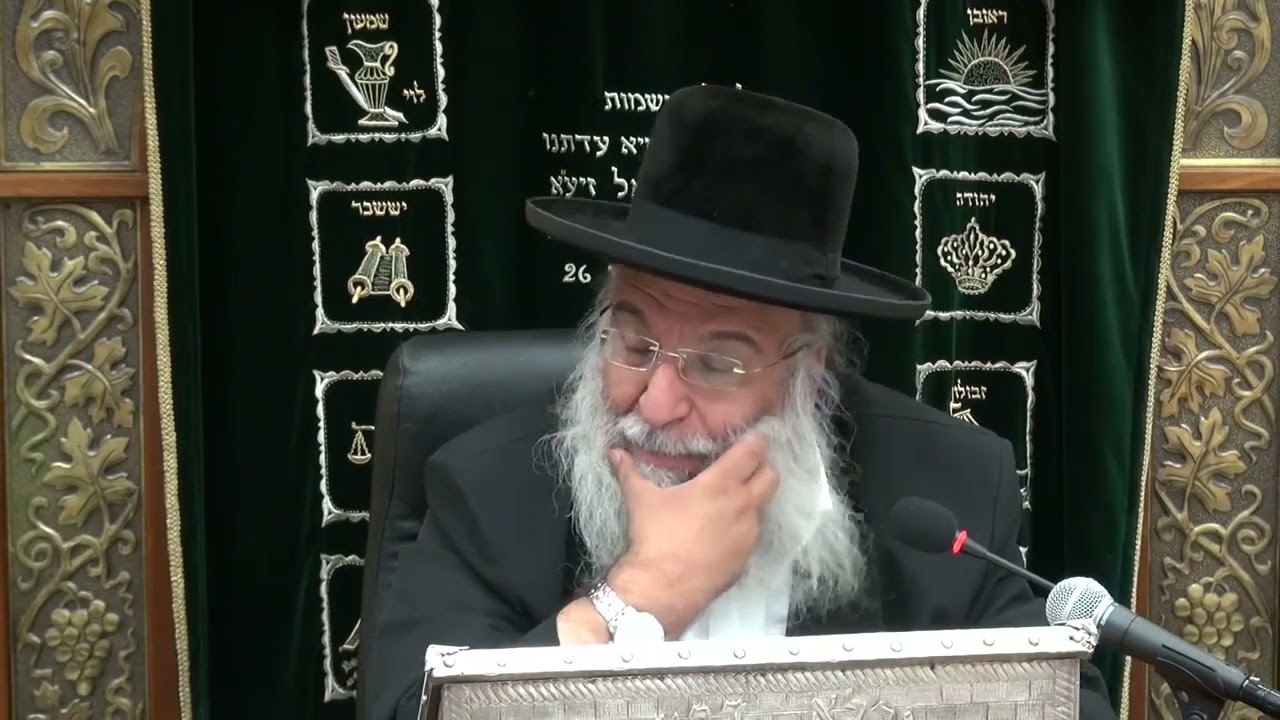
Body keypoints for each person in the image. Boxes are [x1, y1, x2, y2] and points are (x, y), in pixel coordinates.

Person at [369, 84, 1115, 719]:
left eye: (718, 363)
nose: (657, 404)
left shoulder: (946, 491)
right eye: (634, 344)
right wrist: (636, 598)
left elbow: (1059, 701)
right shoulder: (488, 488)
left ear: (810, 371)